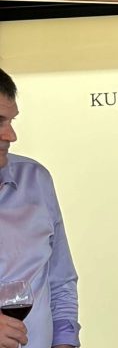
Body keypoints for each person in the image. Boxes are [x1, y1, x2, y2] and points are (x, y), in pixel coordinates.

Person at [0, 68, 80, 348]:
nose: (11, 135)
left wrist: (65, 343)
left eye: (11, 120)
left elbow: (61, 279)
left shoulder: (36, 180)